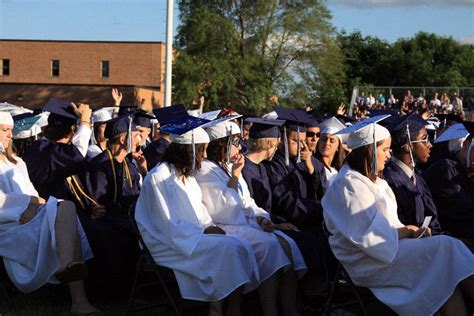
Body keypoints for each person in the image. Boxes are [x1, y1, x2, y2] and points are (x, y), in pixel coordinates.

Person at [322, 117, 474, 315]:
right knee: (448, 247)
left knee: (447, 280)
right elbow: (373, 238)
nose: (388, 155)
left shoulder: (375, 181)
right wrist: (407, 230)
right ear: (369, 149)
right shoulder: (348, 185)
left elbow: (388, 227)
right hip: (369, 261)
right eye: (384, 150)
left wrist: (410, 232)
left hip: (389, 250)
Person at [135, 116, 260, 316]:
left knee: (239, 245)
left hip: (192, 236)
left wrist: (208, 227)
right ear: (187, 150)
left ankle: (232, 308)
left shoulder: (188, 176)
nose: (203, 156)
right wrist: (203, 232)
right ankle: (216, 310)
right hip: (166, 242)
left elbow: (199, 213)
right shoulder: (158, 177)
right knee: (227, 249)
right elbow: (166, 224)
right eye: (200, 150)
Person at [197, 119, 306, 316]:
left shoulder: (226, 166)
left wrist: (262, 218)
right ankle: (269, 310)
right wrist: (236, 176)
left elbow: (248, 201)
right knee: (269, 247)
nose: (240, 146)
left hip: (245, 223)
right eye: (236, 142)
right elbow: (225, 208)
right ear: (223, 144)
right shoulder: (205, 170)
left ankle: (290, 309)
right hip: (225, 226)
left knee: (288, 244)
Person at [0, 111, 99, 314]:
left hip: (29, 216)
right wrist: (28, 204)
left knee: (66, 207)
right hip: (8, 224)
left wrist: (31, 203)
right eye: (4, 130)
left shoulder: (18, 163)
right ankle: (78, 299)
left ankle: (67, 266)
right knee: (65, 214)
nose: (10, 135)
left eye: (11, 130)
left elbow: (35, 195)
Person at [86, 115, 143, 291]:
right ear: (123, 139)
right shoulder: (100, 165)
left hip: (126, 215)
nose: (139, 139)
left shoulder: (129, 165)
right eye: (135, 135)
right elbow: (99, 201)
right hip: (108, 219)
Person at [383, 115, 443, 234]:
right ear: (408, 145)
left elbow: (431, 217)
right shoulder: (389, 180)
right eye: (424, 139)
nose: (430, 145)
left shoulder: (416, 177)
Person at [23, 99, 92, 201]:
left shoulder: (38, 147)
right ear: (73, 131)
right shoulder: (50, 152)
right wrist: (84, 121)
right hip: (48, 211)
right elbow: (77, 154)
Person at [423, 122, 474, 242]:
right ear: (466, 144)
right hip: (449, 236)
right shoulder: (446, 169)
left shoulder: (462, 170)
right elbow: (462, 211)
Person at [314, 117, 348, 186]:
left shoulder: (341, 170)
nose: (327, 143)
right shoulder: (313, 165)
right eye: (324, 139)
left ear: (338, 147)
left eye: (332, 140)